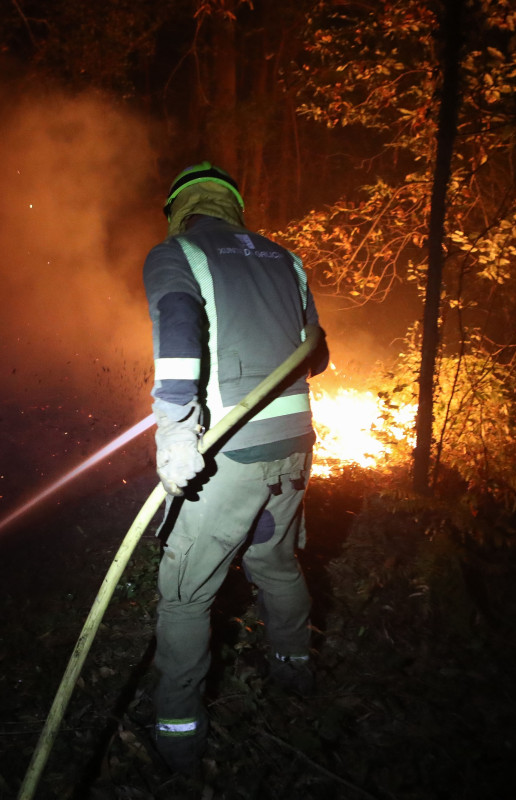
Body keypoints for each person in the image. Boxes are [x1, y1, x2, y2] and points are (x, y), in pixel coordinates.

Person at [143, 161, 329, 775]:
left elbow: (176, 327)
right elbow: (317, 355)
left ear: (179, 207)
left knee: (185, 594)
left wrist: (174, 425)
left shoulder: (178, 252)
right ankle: (294, 675)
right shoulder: (287, 260)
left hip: (229, 453)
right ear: (233, 206)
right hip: (295, 447)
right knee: (275, 561)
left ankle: (179, 736)